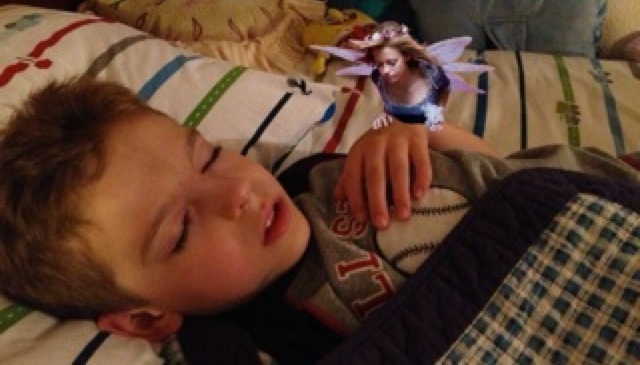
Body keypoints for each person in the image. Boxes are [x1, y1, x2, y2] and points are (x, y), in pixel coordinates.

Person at [1, 77, 636, 364]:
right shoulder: (233, 342)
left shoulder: (317, 177)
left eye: (209, 156)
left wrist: (417, 133)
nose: (236, 192)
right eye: (183, 229)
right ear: (144, 318)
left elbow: (506, 180)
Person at [312, 21, 490, 130]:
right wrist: (387, 115)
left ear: (406, 56)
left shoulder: (429, 72)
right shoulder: (377, 76)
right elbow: (387, 103)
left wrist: (437, 112)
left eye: (391, 62)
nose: (384, 71)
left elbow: (446, 87)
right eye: (379, 64)